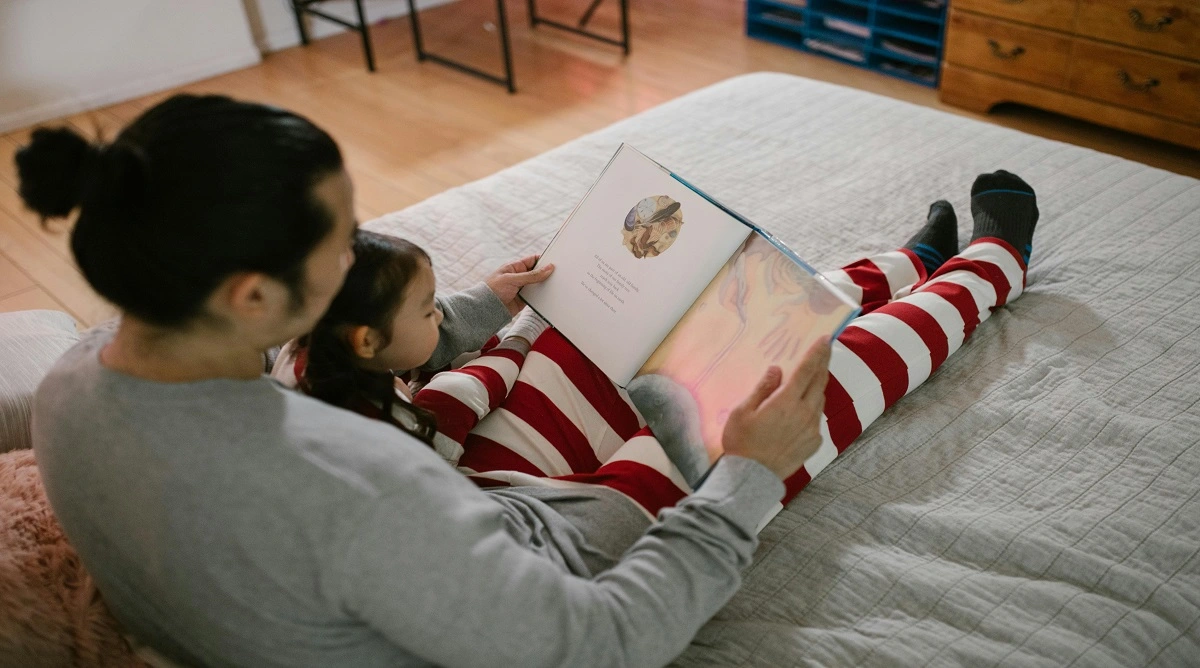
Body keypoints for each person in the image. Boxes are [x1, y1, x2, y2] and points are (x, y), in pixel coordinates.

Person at [18, 94, 829, 667]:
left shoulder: (71, 383)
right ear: (252, 295)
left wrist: (470, 310)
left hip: (339, 585)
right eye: (342, 240)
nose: (356, 252)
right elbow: (602, 644)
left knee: (552, 347)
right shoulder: (357, 485)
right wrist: (745, 481)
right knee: (685, 419)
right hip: (503, 573)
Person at [272, 229, 695, 513]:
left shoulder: (306, 347)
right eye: (427, 311)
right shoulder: (377, 431)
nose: (439, 318)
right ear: (365, 342)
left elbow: (411, 347)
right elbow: (443, 420)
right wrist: (513, 342)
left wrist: (490, 301)